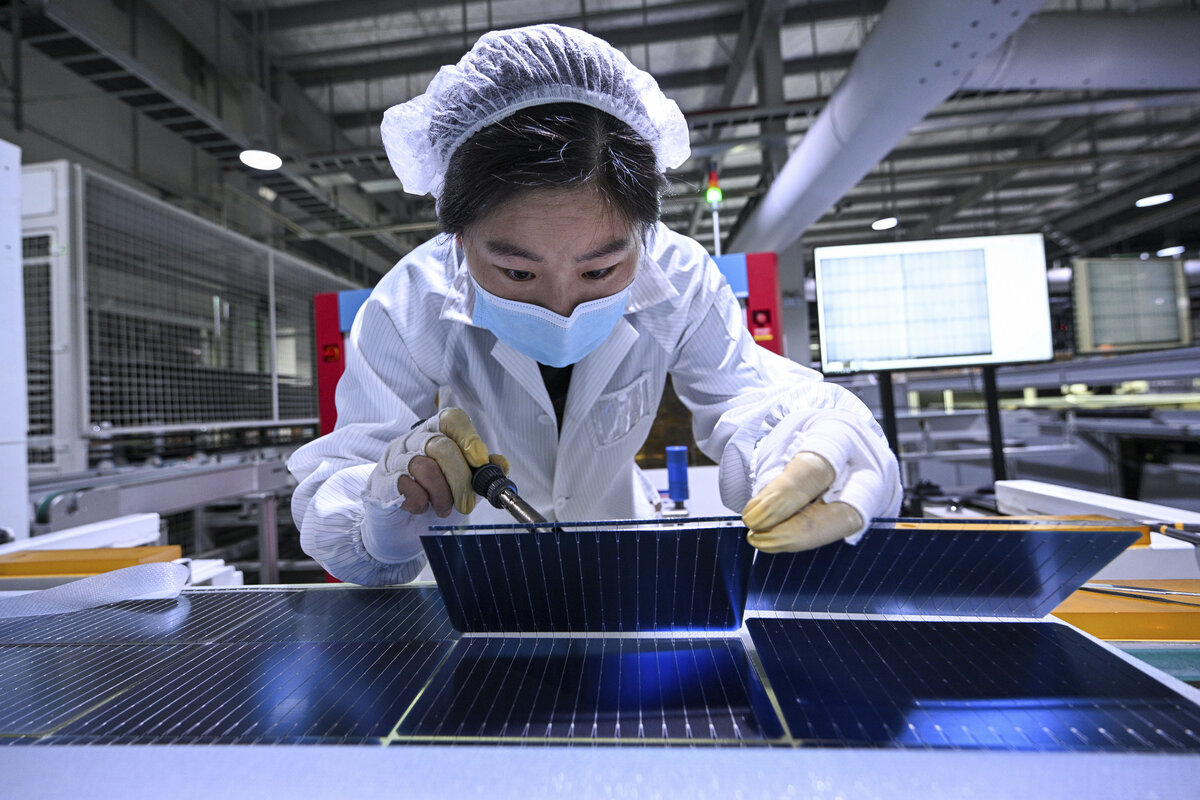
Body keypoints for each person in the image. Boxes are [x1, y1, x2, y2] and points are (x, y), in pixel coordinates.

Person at [287, 24, 901, 585]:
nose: (561, 307)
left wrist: (807, 444)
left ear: (644, 232)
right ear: (457, 237)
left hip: (620, 569)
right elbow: (342, 480)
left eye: (601, 268)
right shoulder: (410, 302)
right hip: (469, 591)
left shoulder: (679, 276)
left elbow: (749, 398)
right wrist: (380, 518)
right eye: (517, 270)